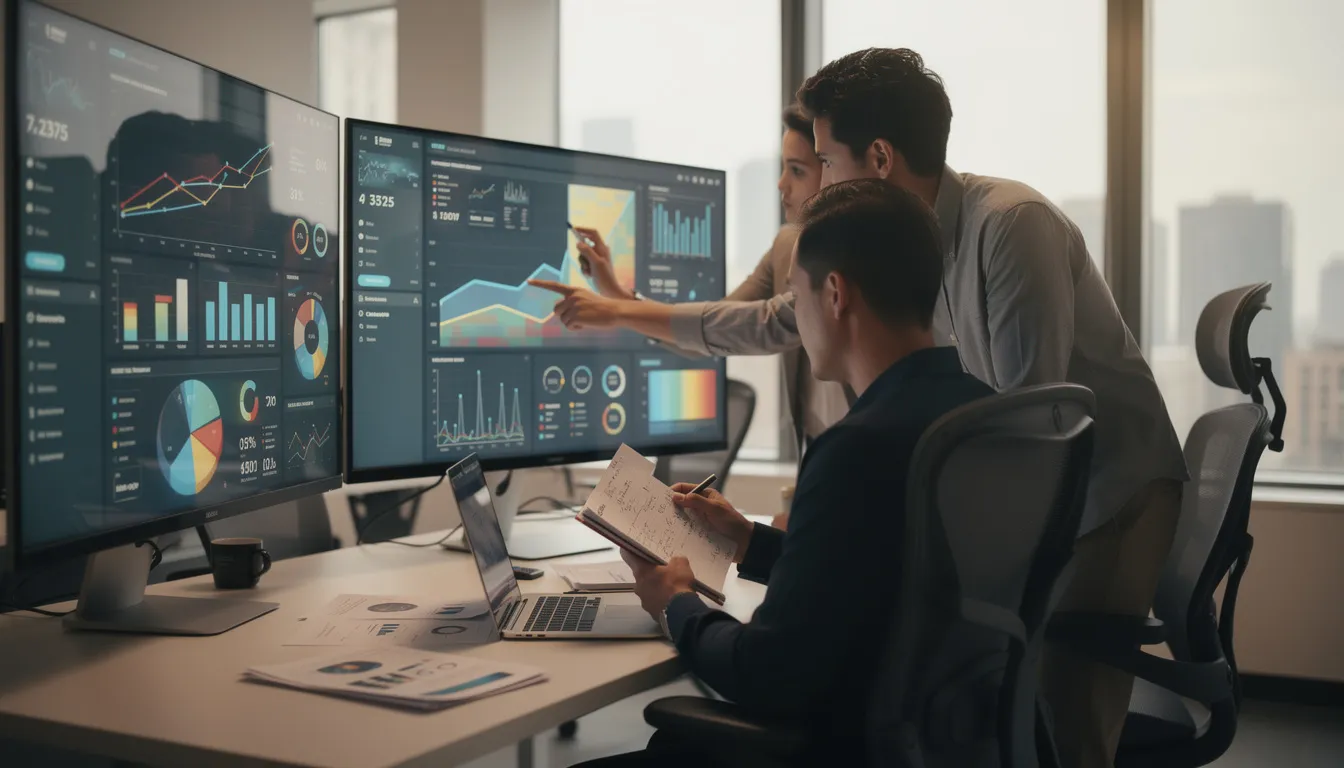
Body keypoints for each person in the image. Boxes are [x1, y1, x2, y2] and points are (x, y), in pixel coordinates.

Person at [565, 49, 1189, 768]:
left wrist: (689, 598)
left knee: (1068, 718)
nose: (809, 185)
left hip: (1111, 491)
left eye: (823, 161)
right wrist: (770, 545)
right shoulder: (904, 264)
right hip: (1011, 500)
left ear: (882, 157)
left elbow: (1028, 443)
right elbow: (774, 324)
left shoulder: (1011, 227)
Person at [576, 180, 995, 767]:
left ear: (834, 295)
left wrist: (674, 603)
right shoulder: (978, 412)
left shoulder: (856, 446)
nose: (796, 321)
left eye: (795, 299)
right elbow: (888, 578)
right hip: (945, 736)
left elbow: (766, 673)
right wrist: (750, 540)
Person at [533, 104, 851, 460]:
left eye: (796, 170)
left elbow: (761, 324)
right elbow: (710, 334)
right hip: (821, 462)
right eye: (782, 168)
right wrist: (618, 295)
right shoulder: (785, 248)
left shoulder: (856, 265)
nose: (781, 184)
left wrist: (616, 311)